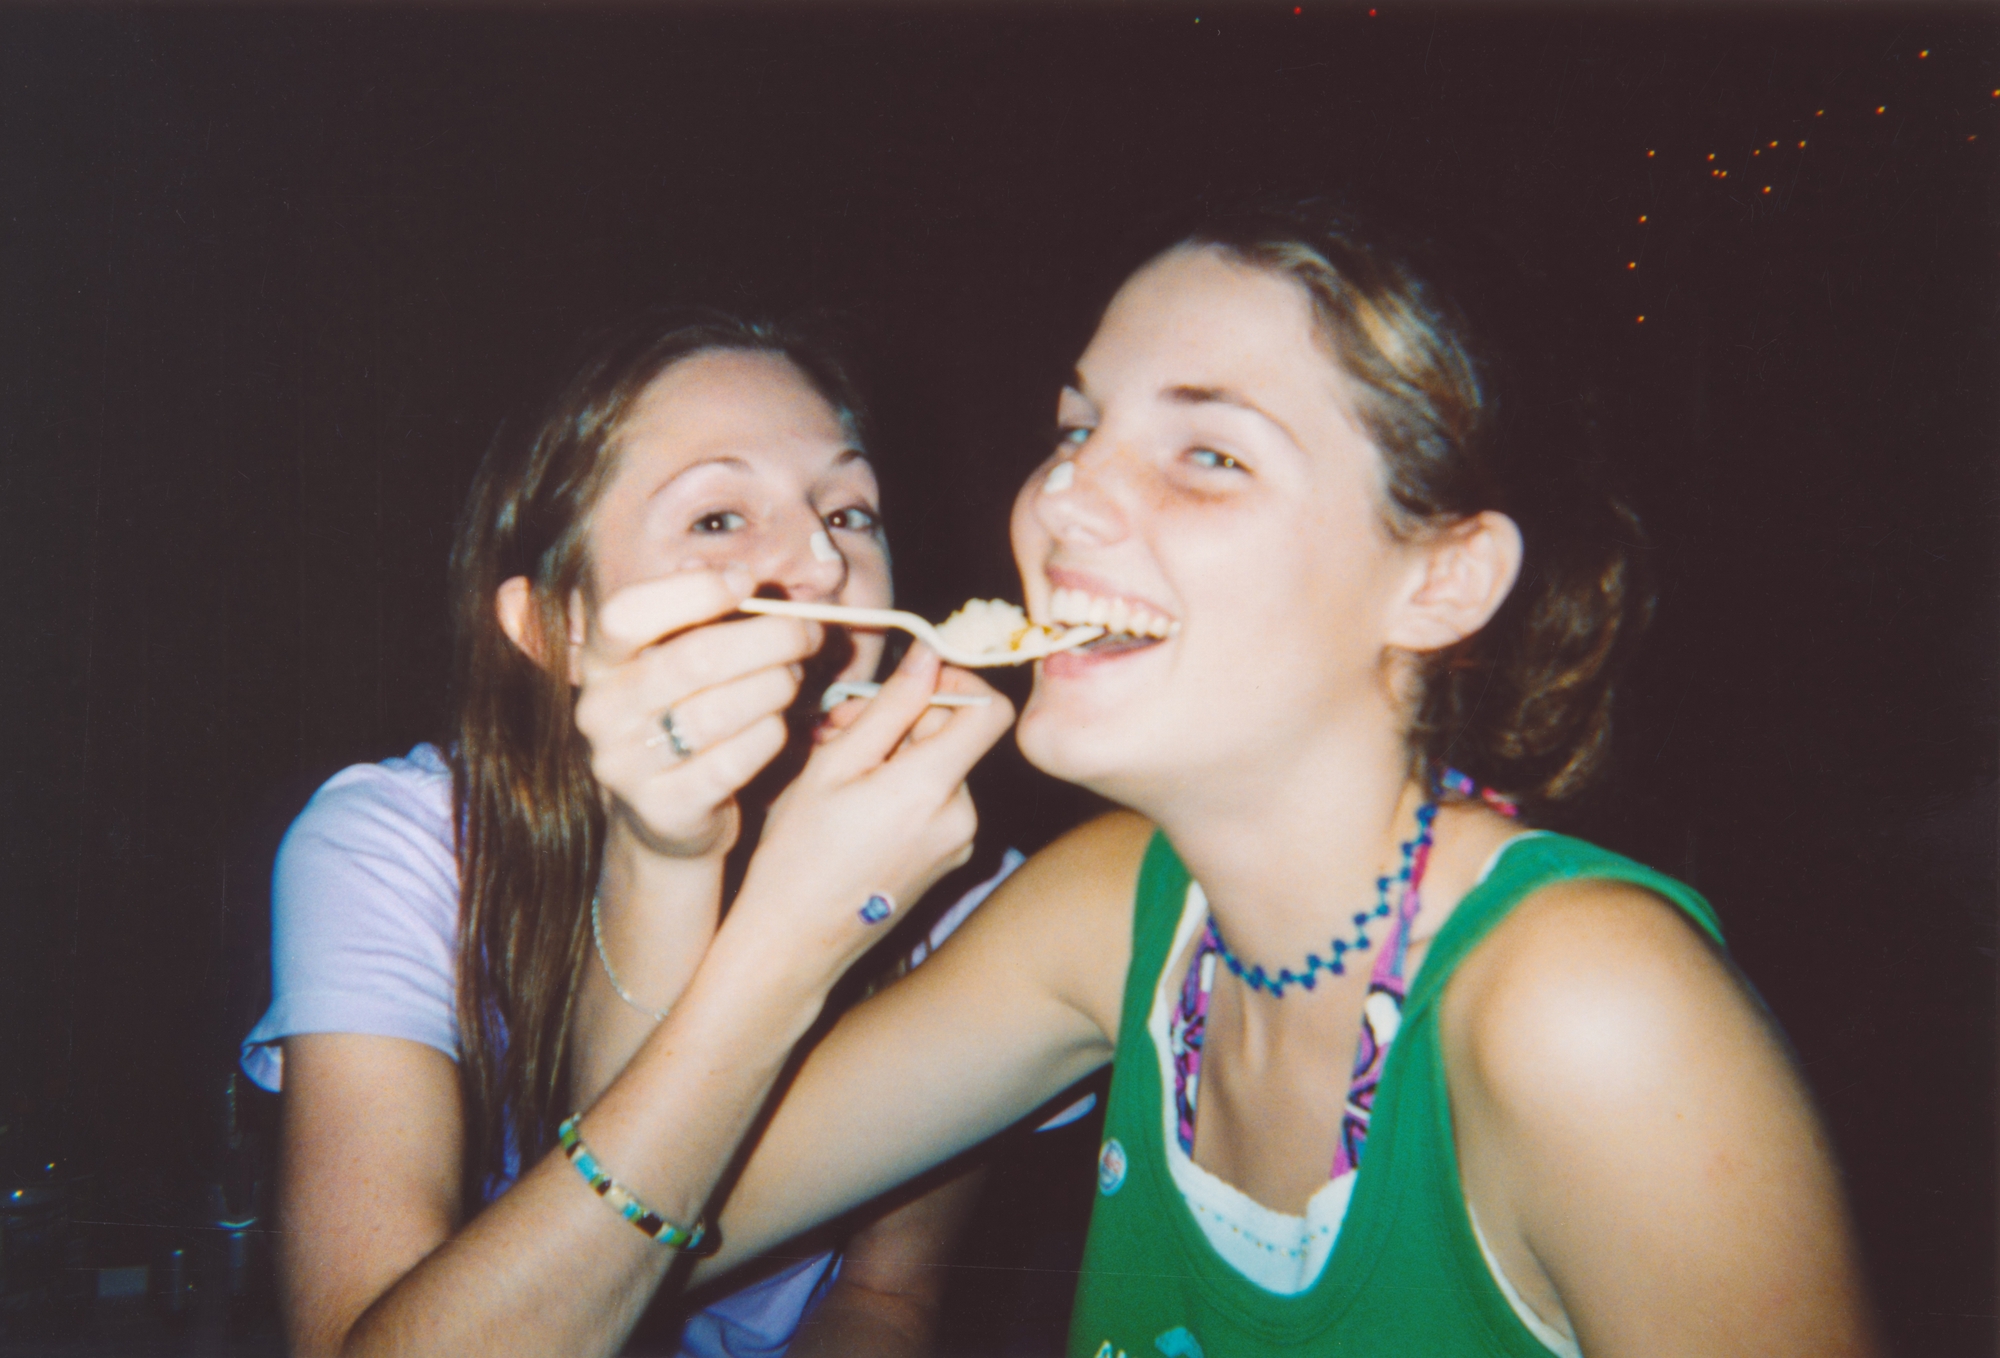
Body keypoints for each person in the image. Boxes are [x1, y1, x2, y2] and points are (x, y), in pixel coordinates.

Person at [688, 199, 1880, 1357]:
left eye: (1206, 453)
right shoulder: (1113, 911)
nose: (1058, 496)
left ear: (1442, 582)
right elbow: (647, 1217)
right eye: (1073, 430)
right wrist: (672, 856)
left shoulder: (1589, 1013)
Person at [239, 311, 1015, 1358]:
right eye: (716, 518)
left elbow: (886, 1299)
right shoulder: (399, 847)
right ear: (554, 627)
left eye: (847, 510)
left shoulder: (963, 882)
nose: (823, 566)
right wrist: (673, 861)